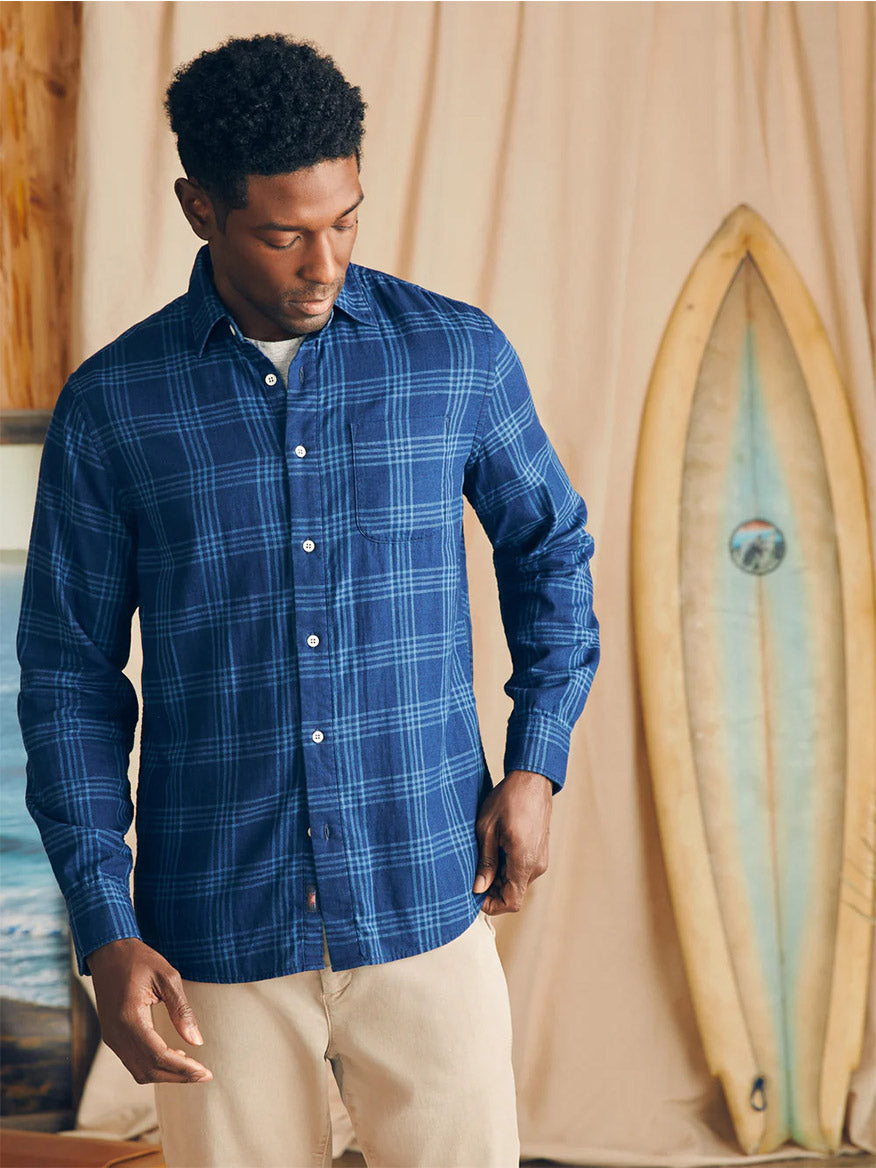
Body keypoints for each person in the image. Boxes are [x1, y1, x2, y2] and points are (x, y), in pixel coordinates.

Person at [17, 33, 600, 1168]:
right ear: (200, 208)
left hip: (425, 892)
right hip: (213, 928)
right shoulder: (116, 409)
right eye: (284, 234)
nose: (323, 263)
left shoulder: (454, 358)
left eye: (345, 222)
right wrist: (104, 923)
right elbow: (69, 682)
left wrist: (537, 759)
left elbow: (550, 549)